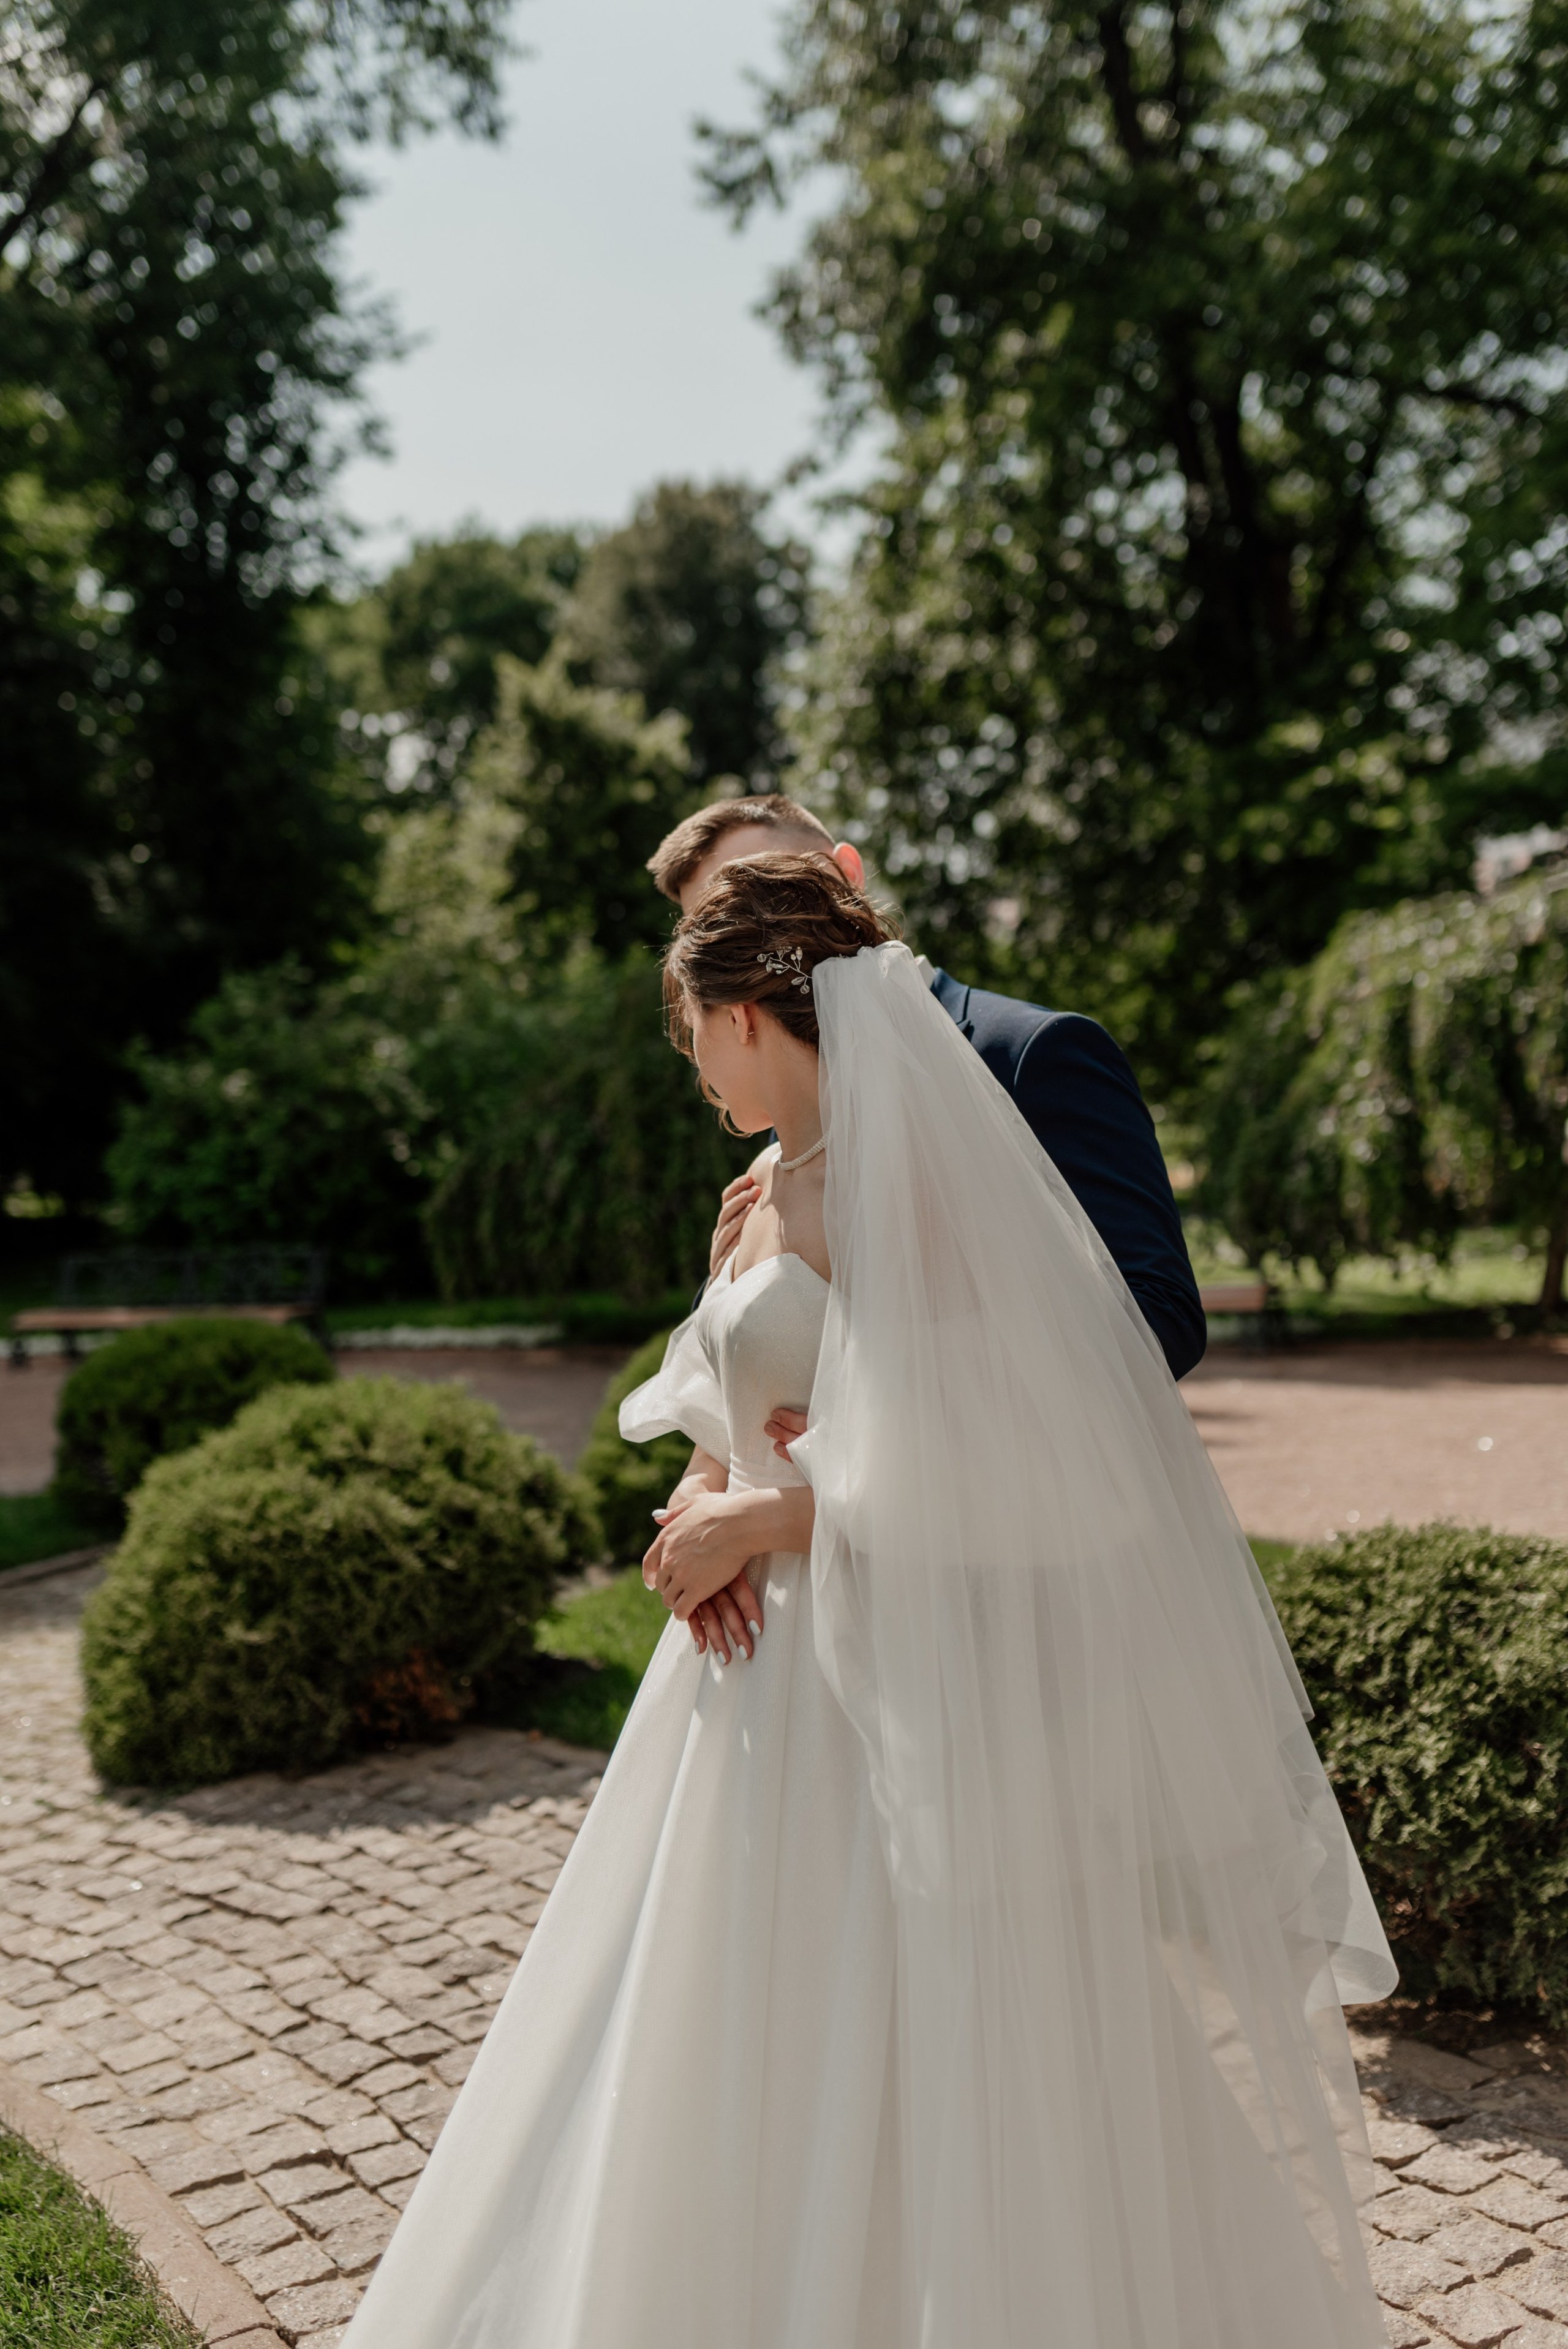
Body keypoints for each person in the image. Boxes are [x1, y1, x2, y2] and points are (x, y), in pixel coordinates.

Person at [344, 856, 1394, 2349]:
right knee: (702, 2042)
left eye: (687, 1028)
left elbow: (1049, 1466)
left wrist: (778, 1515)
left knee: (947, 2055)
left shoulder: (928, 1197)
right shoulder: (763, 1185)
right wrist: (699, 1497)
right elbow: (740, 1385)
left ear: (749, 1012)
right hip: (740, 1696)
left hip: (889, 1688)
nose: (688, 1064)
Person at [649, 793, 1205, 1668]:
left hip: (988, 1600)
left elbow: (1149, 1321)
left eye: (752, 898)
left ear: (842, 878)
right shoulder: (777, 1145)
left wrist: (850, 1455)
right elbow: (759, 1353)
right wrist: (704, 1495)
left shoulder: (1035, 1054)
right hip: (777, 1621)